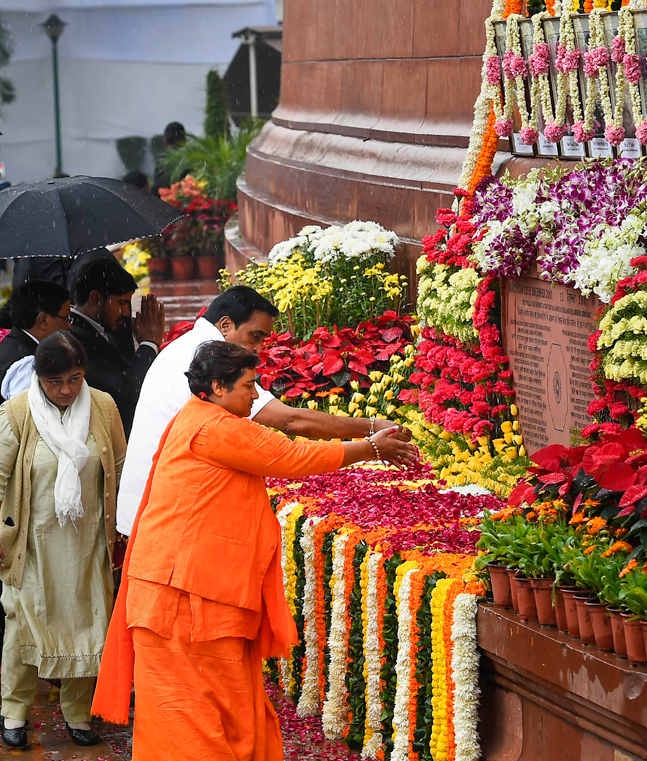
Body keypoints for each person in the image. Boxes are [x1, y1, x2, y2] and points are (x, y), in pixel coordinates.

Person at [93, 341, 418, 758]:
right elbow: (291, 454)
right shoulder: (215, 427)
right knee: (188, 722)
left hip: (194, 594)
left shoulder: (201, 416)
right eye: (249, 385)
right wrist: (371, 447)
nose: (254, 394)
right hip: (176, 599)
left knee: (229, 711)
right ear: (217, 387)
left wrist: (369, 439)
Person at [114, 286, 412, 537]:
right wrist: (371, 433)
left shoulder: (195, 349)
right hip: (162, 518)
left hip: (156, 510)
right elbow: (291, 424)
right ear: (226, 326)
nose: (258, 348)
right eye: (255, 336)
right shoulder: (208, 359)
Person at [0, 331, 125, 748]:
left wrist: (123, 532)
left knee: (89, 628)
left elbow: (119, 465)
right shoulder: (17, 412)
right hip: (32, 547)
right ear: (38, 377)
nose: (65, 391)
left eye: (74, 379)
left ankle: (78, 716)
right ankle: (14, 717)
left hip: (88, 543)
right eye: (55, 382)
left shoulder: (102, 407)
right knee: (23, 630)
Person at [0, 280, 71, 731]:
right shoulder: (25, 362)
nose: (68, 323)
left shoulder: (18, 348)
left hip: (6, 497)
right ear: (42, 320)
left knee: (5, 599)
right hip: (5, 501)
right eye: (64, 315)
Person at [69, 258, 164, 434]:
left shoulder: (92, 331)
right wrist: (149, 343)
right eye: (121, 303)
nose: (127, 313)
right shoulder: (77, 340)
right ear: (96, 298)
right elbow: (125, 393)